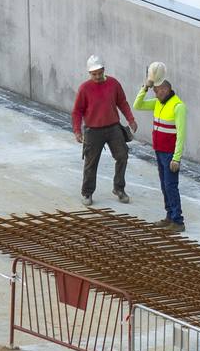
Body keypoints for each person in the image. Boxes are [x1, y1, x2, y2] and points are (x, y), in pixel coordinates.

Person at [72, 55, 137, 205]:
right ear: (89, 73)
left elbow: (122, 102)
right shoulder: (84, 89)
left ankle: (119, 188)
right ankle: (87, 193)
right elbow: (77, 111)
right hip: (93, 131)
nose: (97, 76)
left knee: (122, 156)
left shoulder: (113, 84)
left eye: (100, 73)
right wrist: (77, 130)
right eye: (94, 74)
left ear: (104, 70)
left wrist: (131, 119)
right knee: (91, 163)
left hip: (113, 128)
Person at [133, 77, 187, 233]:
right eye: (155, 91)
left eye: (158, 90)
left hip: (170, 154)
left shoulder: (178, 106)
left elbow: (181, 135)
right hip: (159, 150)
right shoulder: (158, 103)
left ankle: (178, 221)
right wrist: (145, 88)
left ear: (166, 89)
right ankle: (170, 216)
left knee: (171, 186)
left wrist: (177, 158)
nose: (156, 94)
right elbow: (138, 105)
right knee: (165, 185)